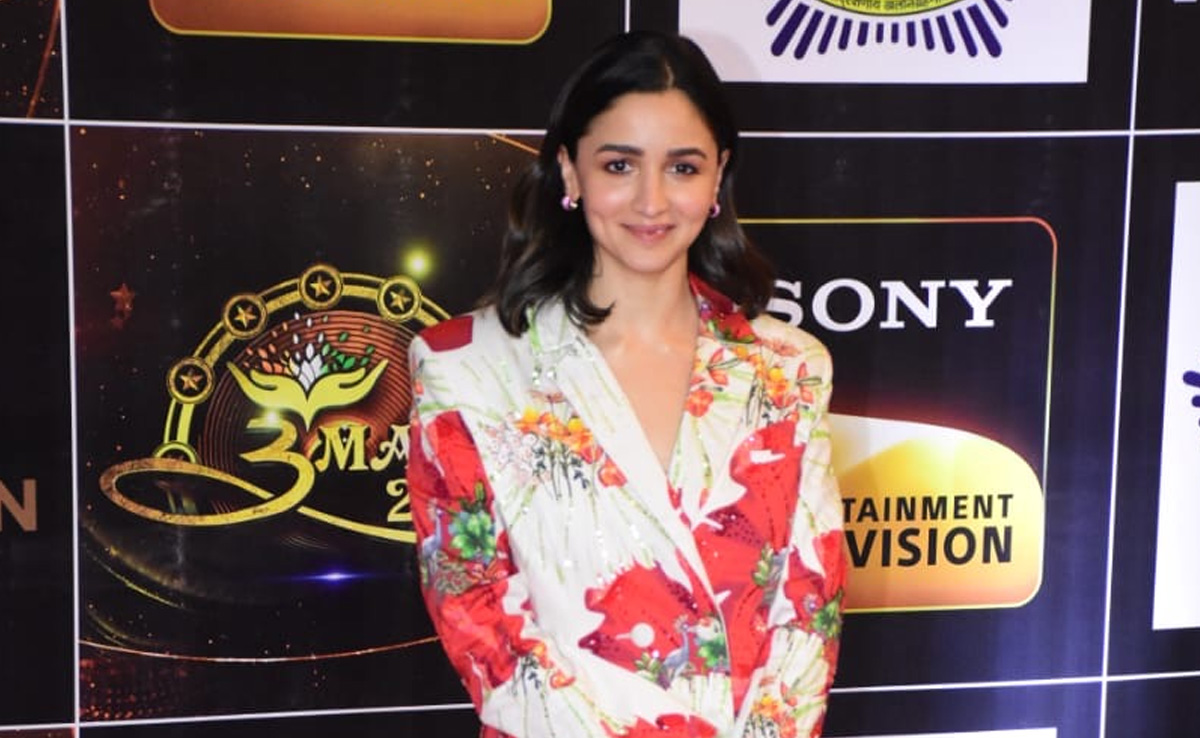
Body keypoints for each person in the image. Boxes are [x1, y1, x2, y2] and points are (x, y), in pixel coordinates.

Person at [407, 30, 846, 738]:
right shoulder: (467, 367)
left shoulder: (788, 367)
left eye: (682, 167)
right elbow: (475, 610)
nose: (652, 200)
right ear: (570, 172)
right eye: (619, 164)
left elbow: (809, 606)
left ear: (717, 177)